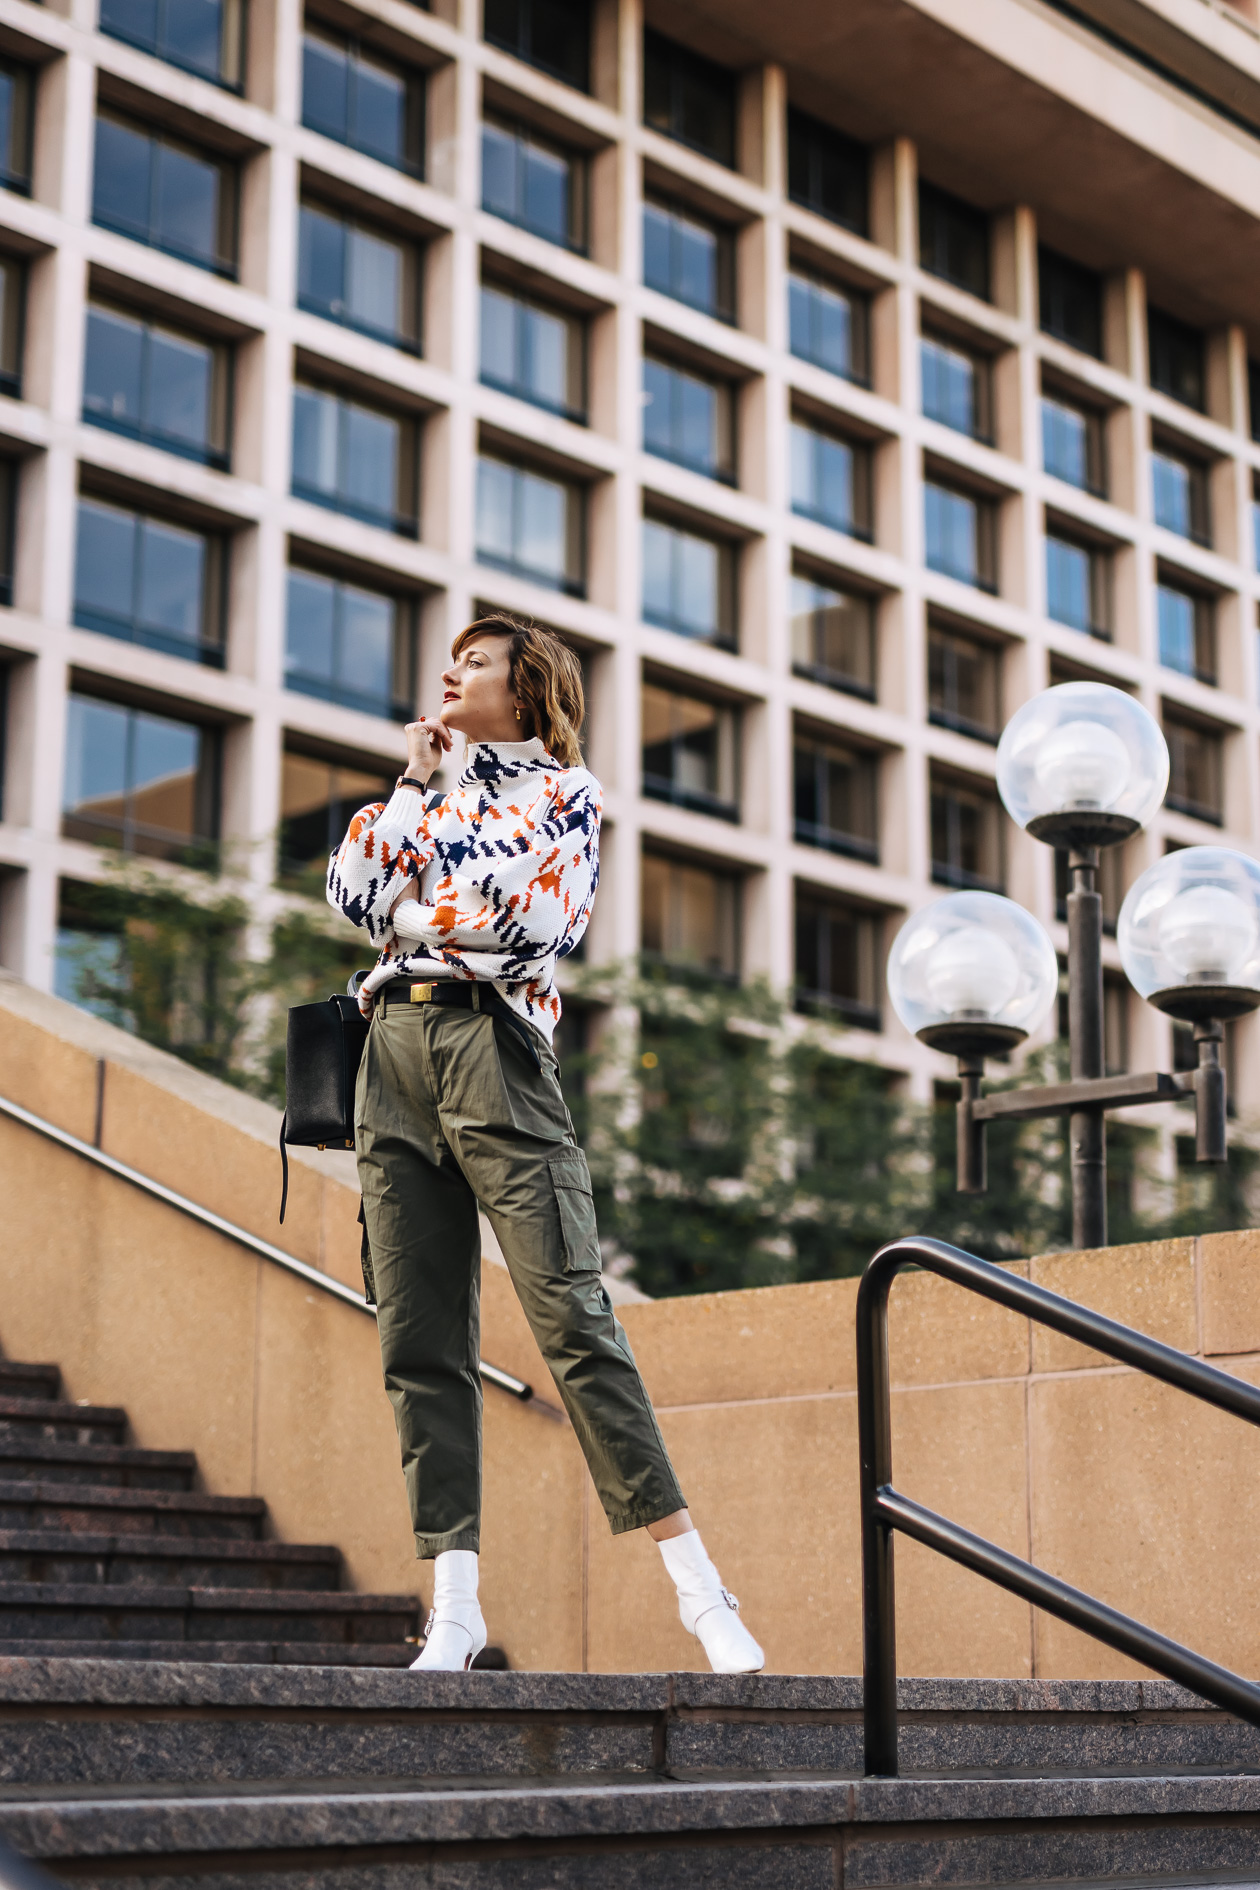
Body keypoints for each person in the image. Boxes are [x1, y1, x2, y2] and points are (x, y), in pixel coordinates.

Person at [327, 615, 764, 1676]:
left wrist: (418, 901)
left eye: (472, 662)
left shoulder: (566, 797)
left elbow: (533, 922)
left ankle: (699, 1588)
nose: (447, 671)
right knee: (416, 1337)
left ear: (525, 693)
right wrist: (418, 795)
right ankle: (457, 1608)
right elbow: (350, 894)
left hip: (495, 1052)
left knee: (570, 1312)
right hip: (389, 1058)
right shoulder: (419, 795)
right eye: (451, 658)